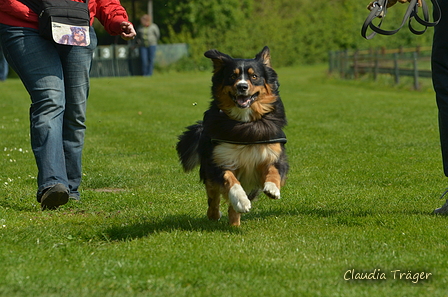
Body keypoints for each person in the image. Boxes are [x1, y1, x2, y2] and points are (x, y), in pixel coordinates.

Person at [0, 0, 136, 210]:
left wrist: (117, 19)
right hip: (25, 24)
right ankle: (52, 184)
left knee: (75, 111)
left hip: (75, 23)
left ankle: (70, 191)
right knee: (50, 99)